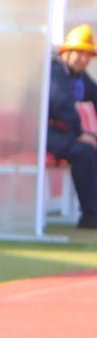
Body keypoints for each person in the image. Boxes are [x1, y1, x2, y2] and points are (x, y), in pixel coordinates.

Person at [47, 24, 97, 229]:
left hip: (59, 132)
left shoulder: (78, 75)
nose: (84, 59)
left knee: (90, 146)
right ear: (66, 52)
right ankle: (91, 216)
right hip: (39, 132)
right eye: (80, 53)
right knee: (83, 151)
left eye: (88, 55)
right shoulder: (55, 70)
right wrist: (79, 133)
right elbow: (61, 104)